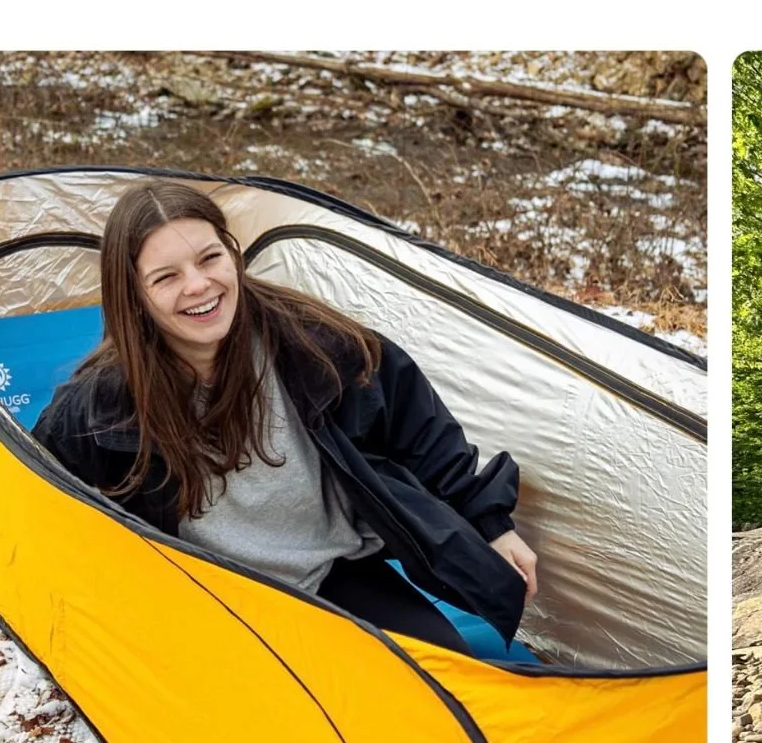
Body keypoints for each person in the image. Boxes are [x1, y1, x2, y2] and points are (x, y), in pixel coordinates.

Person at [33, 181, 537, 651]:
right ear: (135, 296)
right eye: (167, 277)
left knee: (442, 677)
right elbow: (36, 497)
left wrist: (491, 525)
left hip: (331, 571)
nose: (199, 285)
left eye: (210, 258)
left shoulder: (317, 347)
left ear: (233, 254)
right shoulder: (100, 407)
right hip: (207, 596)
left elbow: (420, 431)